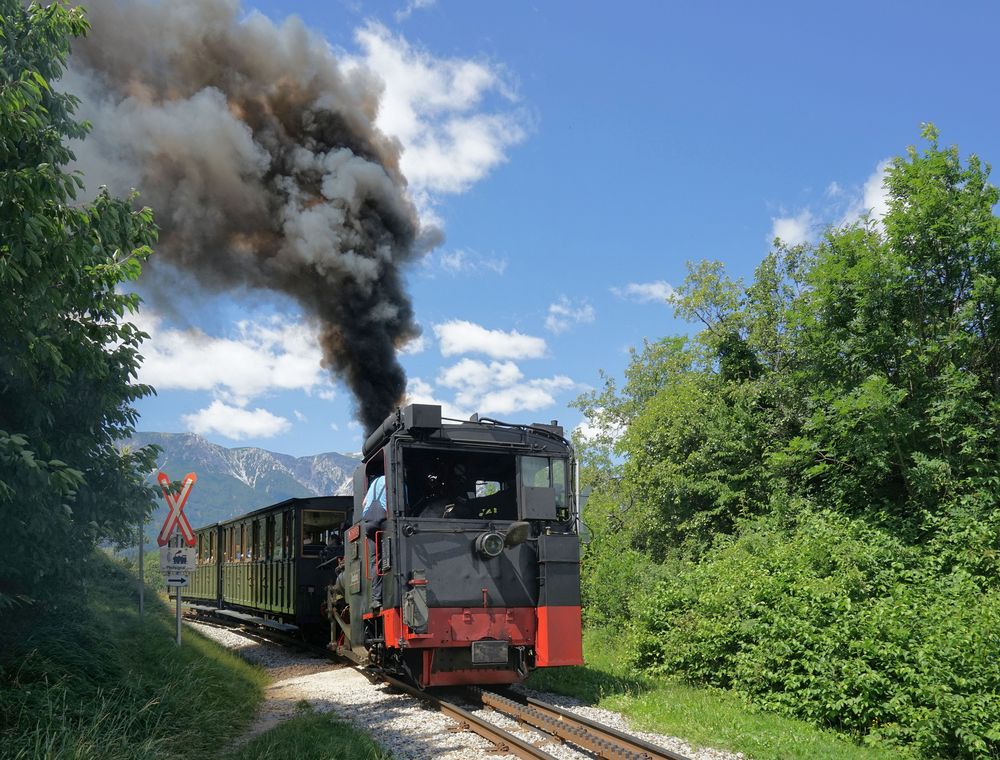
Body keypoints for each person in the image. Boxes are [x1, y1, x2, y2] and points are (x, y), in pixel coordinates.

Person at [362, 474, 386, 610]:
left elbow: (363, 503)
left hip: (368, 521)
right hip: (382, 519)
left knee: (375, 560)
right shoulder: (393, 479)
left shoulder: (374, 483)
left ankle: (376, 599)